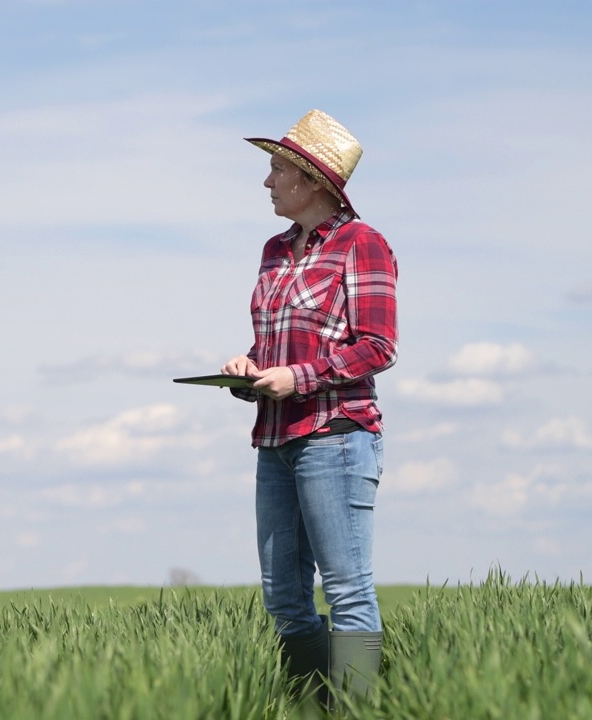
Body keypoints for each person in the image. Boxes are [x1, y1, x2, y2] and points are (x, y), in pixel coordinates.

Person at [221, 109, 397, 704]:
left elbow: (376, 347)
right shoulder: (273, 250)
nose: (267, 182)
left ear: (312, 182)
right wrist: (249, 368)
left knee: (346, 590)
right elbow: (275, 345)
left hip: (336, 435)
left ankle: (360, 707)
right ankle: (310, 707)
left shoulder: (363, 245)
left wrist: (295, 378)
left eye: (276, 170)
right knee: (284, 595)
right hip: (275, 439)